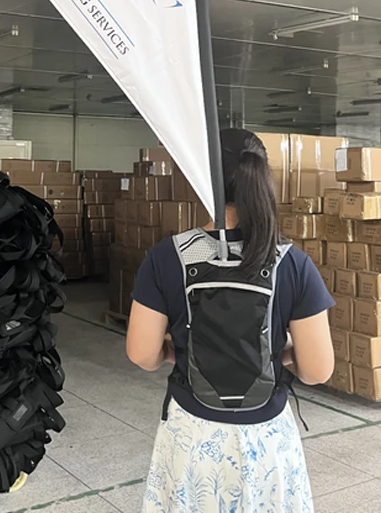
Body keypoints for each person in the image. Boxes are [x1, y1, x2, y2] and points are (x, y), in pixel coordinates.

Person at [126, 128, 335, 512]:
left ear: (204, 181)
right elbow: (318, 370)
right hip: (266, 436)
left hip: (192, 433)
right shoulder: (292, 262)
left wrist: (180, 354)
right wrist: (277, 354)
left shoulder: (166, 257)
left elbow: (141, 354)